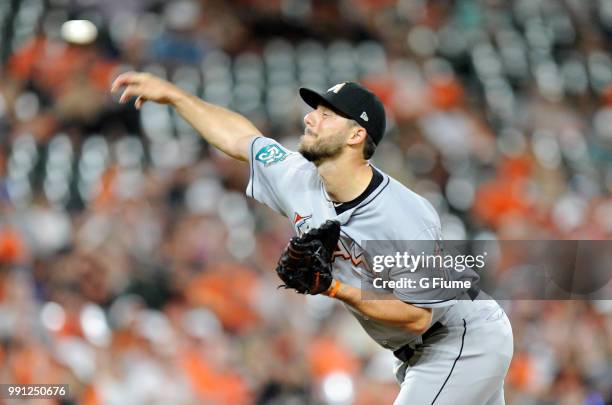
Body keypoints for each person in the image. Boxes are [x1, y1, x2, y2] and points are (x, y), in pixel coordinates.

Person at [111, 72, 514, 404]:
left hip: (461, 337)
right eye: (314, 110)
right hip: (420, 351)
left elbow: (418, 316)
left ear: (356, 136)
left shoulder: (406, 216)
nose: (310, 119)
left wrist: (336, 288)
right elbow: (240, 140)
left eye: (326, 114)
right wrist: (176, 96)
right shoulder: (299, 179)